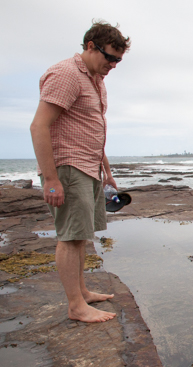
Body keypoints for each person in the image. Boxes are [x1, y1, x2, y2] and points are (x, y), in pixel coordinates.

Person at [30, 20, 130, 323]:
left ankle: (82, 292)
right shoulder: (66, 74)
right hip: (68, 167)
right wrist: (51, 179)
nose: (113, 65)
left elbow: (90, 130)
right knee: (71, 237)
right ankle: (76, 306)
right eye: (109, 57)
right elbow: (39, 126)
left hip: (88, 168)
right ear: (90, 46)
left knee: (81, 235)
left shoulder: (95, 80)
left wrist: (107, 172)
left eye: (118, 60)